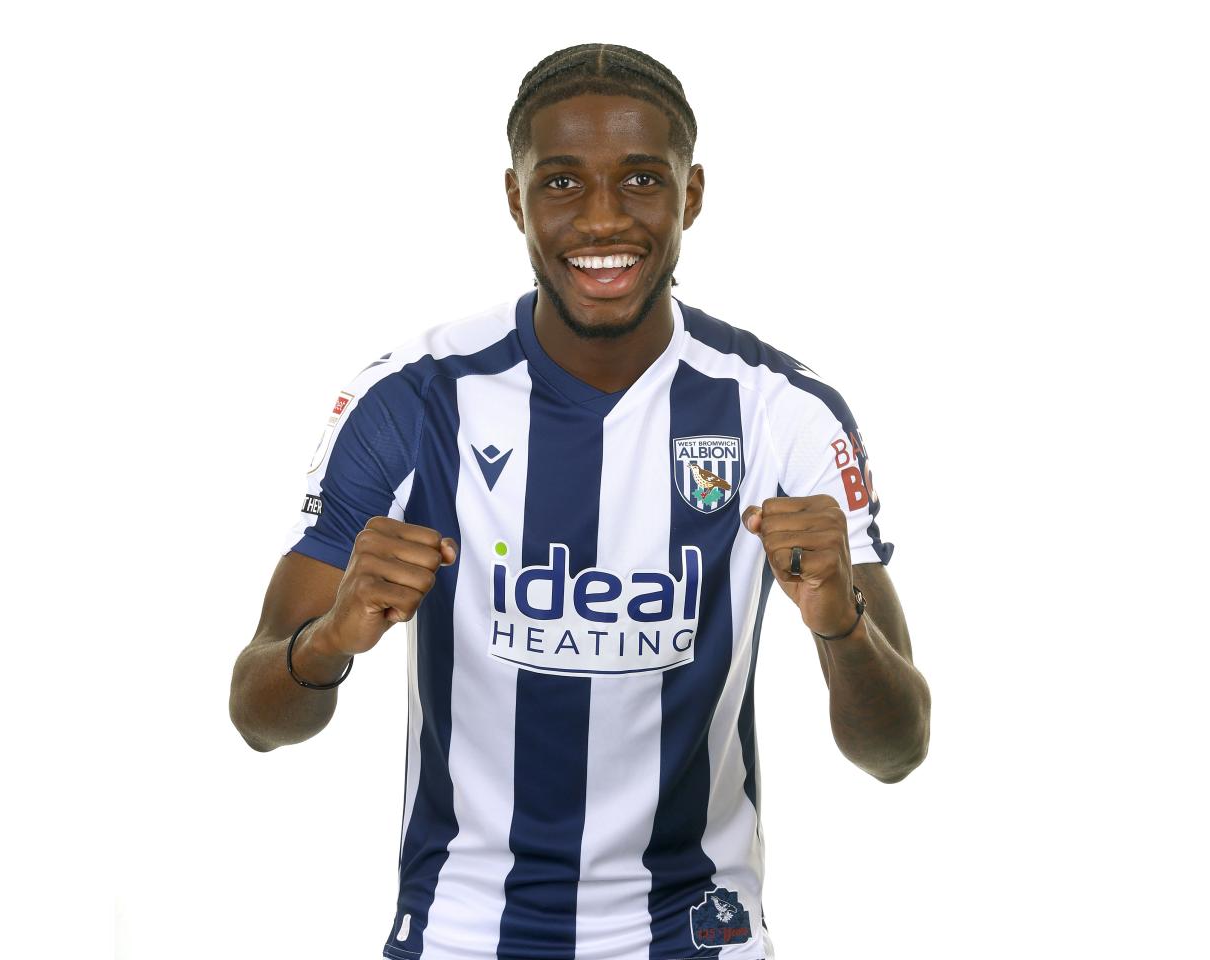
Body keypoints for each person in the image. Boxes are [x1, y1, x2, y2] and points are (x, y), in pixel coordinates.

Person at [229, 42, 930, 960]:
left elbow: (897, 750)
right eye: (562, 183)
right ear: (516, 199)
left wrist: (839, 624)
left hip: (697, 933)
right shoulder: (414, 400)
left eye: (641, 179)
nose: (604, 218)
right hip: (463, 934)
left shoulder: (782, 416)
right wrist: (335, 637)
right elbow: (257, 715)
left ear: (692, 195)